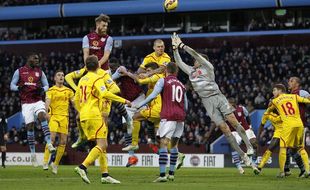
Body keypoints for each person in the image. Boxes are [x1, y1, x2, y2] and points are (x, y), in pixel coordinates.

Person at [171, 33, 254, 166]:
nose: (194, 61)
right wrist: (175, 49)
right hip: (207, 102)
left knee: (233, 121)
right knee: (224, 129)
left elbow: (197, 55)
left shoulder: (209, 68)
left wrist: (182, 45)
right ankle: (242, 154)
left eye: (197, 60)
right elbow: (179, 62)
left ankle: (249, 146)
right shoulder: (191, 71)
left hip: (218, 97)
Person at [74, 55, 131, 184]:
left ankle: (105, 175)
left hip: (84, 115)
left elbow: (76, 99)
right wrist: (124, 100)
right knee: (102, 144)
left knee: (101, 145)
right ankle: (82, 167)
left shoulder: (82, 79)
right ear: (98, 65)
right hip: (95, 114)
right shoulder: (97, 78)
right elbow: (105, 93)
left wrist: (81, 110)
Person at [134, 62, 187, 182]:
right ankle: (171, 174)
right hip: (181, 116)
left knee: (163, 143)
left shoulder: (163, 81)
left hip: (168, 116)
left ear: (166, 71)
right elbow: (186, 103)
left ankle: (162, 175)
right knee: (173, 145)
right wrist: (183, 114)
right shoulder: (181, 84)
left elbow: (153, 95)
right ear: (176, 72)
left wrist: (140, 105)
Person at [65, 60, 131, 148]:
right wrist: (76, 88)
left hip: (104, 99)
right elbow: (68, 77)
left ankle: (103, 146)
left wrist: (102, 94)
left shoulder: (103, 74)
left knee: (103, 120)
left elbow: (116, 89)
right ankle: (82, 137)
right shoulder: (85, 70)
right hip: (92, 100)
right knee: (78, 118)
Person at [10, 52, 56, 167]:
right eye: (35, 58)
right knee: (30, 127)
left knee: (42, 115)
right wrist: (19, 87)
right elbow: (12, 85)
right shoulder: (19, 71)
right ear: (29, 58)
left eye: (38, 59)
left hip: (37, 100)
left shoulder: (40, 72)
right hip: (26, 103)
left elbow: (47, 86)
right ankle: (33, 155)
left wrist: (42, 89)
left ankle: (49, 143)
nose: (37, 60)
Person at [121, 62, 163, 167]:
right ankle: (133, 155)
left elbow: (139, 80)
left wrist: (128, 73)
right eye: (146, 71)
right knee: (128, 126)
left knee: (140, 119)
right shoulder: (149, 87)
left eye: (148, 71)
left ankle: (143, 143)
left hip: (149, 105)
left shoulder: (157, 78)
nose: (146, 73)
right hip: (133, 104)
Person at [265, 84, 310, 177]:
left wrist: (271, 102)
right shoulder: (294, 96)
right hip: (299, 124)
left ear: (280, 91)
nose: (273, 93)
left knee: (283, 148)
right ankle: (308, 171)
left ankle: (282, 172)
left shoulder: (275, 100)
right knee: (301, 148)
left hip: (288, 126)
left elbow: (269, 108)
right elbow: (307, 101)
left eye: (274, 91)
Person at [110, 59, 146, 167]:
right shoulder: (113, 79)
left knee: (149, 120)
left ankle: (156, 145)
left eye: (112, 68)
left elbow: (121, 71)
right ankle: (132, 157)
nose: (111, 70)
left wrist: (118, 72)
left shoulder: (121, 70)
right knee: (125, 126)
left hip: (139, 99)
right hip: (128, 103)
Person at [43, 70, 75, 174]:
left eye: (62, 75)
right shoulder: (51, 90)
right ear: (55, 78)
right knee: (51, 139)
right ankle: (45, 162)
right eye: (59, 75)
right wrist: (46, 112)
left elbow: (74, 103)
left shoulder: (69, 91)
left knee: (63, 142)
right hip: (54, 117)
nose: (61, 77)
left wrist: (80, 111)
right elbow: (47, 102)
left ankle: (55, 164)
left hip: (64, 118)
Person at [284, 76, 310, 174]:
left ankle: (304, 169)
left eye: (291, 81)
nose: (289, 82)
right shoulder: (288, 95)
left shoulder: (302, 92)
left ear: (297, 84)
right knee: (290, 148)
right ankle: (294, 170)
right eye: (289, 80)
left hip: (299, 125)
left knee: (296, 148)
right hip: (290, 125)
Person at [227, 97, 257, 174]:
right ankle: (239, 167)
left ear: (232, 104)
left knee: (254, 144)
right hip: (235, 131)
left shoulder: (242, 109)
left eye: (228, 104)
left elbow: (247, 116)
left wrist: (250, 126)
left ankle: (253, 164)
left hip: (245, 129)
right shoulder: (226, 112)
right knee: (234, 146)